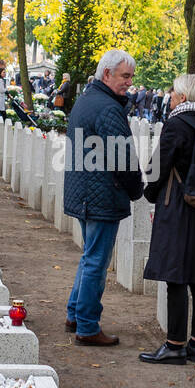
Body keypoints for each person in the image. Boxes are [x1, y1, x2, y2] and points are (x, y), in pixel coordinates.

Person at [62, 49, 143, 346]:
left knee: (89, 257)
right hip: (101, 195)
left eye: (131, 77)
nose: (129, 83)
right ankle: (87, 326)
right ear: (106, 74)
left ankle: (75, 314)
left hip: (85, 192)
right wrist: (136, 189)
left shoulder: (86, 100)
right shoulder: (108, 108)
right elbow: (123, 157)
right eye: (125, 76)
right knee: (96, 260)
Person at [139, 74, 195, 364]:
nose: (169, 95)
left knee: (175, 274)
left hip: (177, 206)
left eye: (173, 91)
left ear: (183, 97)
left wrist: (149, 193)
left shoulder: (176, 124)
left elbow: (158, 165)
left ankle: (175, 344)